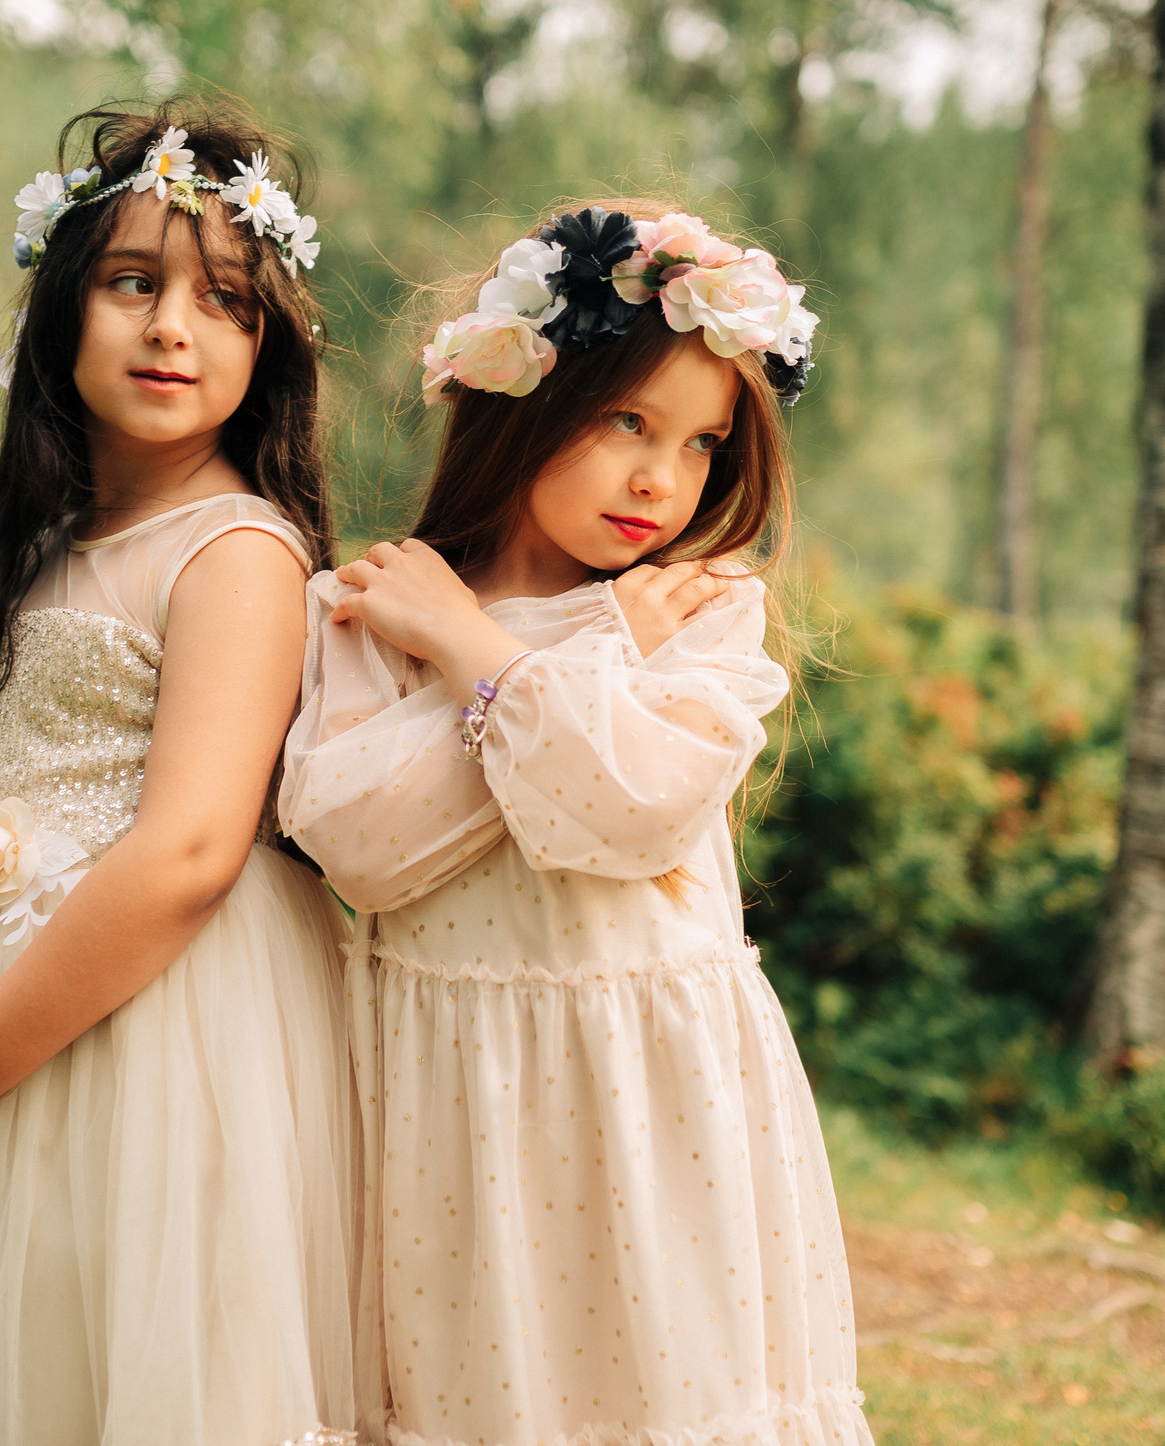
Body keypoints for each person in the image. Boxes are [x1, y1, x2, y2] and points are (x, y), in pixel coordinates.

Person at [280, 201, 869, 1444]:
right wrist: (546, 664)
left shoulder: (697, 610)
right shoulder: (367, 606)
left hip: (657, 1110)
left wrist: (472, 648)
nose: (665, 479)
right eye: (626, 422)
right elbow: (362, 845)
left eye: (704, 444)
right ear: (526, 399)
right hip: (450, 1111)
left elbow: (630, 805)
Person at [0, 102, 359, 1446]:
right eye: (132, 284)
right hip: (32, 1022)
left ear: (268, 346)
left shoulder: (238, 550)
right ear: (62, 308)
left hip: (162, 1027)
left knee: (159, 1357)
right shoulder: (53, 544)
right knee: (50, 1353)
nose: (170, 329)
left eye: (226, 302)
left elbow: (193, 847)